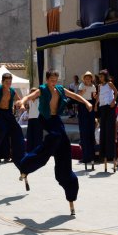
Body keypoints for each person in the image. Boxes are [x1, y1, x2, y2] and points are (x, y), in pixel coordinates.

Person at [17, 69, 93, 216]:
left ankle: (69, 188)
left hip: (56, 120)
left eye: (55, 80)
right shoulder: (43, 89)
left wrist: (86, 103)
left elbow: (75, 95)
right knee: (54, 138)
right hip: (46, 120)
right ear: (47, 79)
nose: (54, 82)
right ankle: (26, 164)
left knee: (64, 150)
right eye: (51, 80)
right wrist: (22, 102)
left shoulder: (59, 89)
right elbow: (30, 96)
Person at [95, 69, 118, 171]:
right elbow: (99, 96)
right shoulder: (100, 86)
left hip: (110, 107)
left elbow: (117, 92)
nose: (100, 78)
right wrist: (96, 104)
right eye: (99, 76)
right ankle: (103, 154)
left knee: (109, 130)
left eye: (101, 76)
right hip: (102, 107)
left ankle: (111, 154)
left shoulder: (109, 84)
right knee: (103, 130)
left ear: (105, 76)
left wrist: (114, 101)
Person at [77, 71, 97, 170]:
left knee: (90, 131)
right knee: (84, 131)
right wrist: (82, 92)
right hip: (82, 105)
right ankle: (85, 156)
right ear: (84, 79)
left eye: (89, 78)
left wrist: (96, 97)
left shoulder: (93, 86)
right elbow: (78, 96)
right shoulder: (81, 85)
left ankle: (92, 156)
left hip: (90, 105)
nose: (88, 80)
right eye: (86, 78)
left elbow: (94, 96)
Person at [26, 87, 42, 152]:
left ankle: (37, 151)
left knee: (37, 136)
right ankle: (29, 151)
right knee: (30, 136)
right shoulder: (29, 100)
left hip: (38, 119)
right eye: (31, 92)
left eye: (33, 92)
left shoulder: (40, 100)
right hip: (30, 119)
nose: (32, 94)